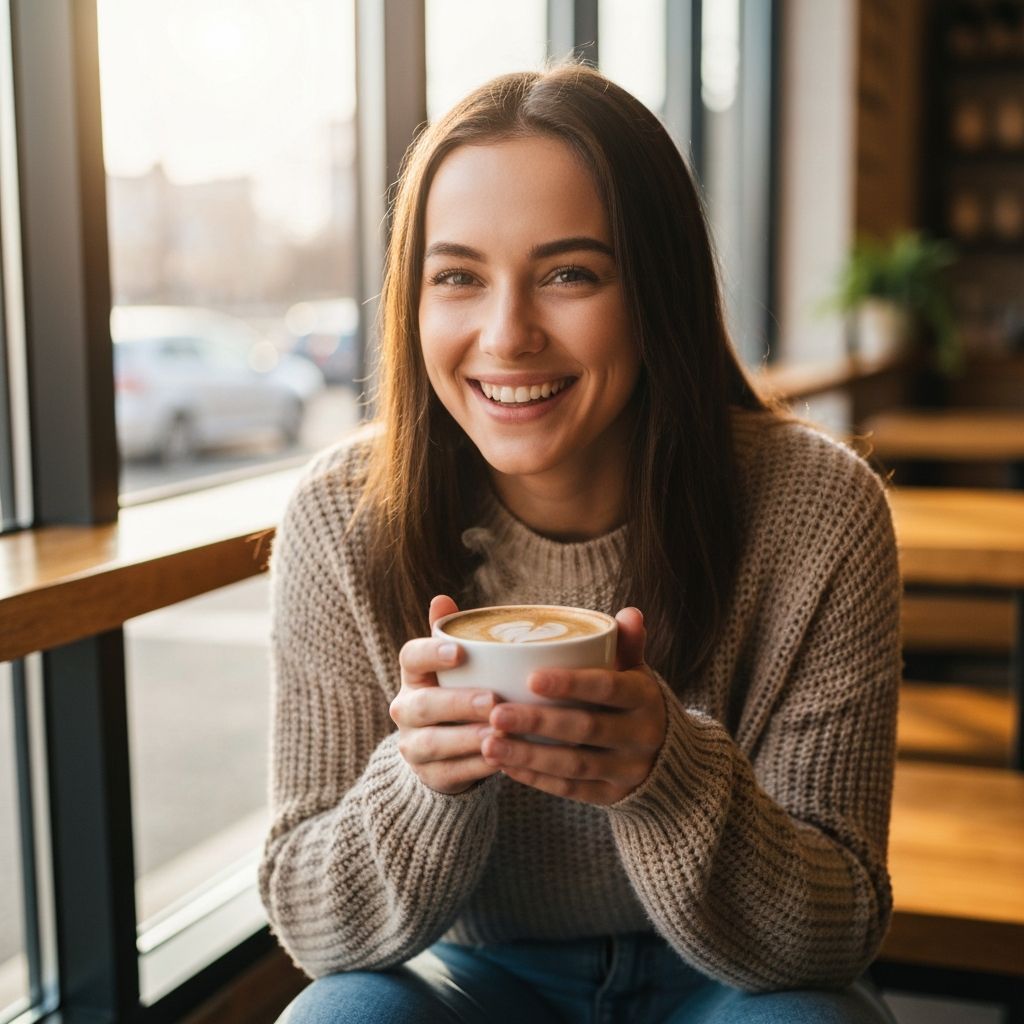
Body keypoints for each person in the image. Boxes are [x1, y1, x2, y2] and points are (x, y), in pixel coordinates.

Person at [261, 64, 901, 1024]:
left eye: (570, 274)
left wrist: (666, 777)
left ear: (657, 290)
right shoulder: (341, 516)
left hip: (731, 984)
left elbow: (834, 932)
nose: (507, 335)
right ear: (412, 302)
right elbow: (315, 933)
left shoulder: (817, 508)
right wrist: (423, 781)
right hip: (475, 978)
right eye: (458, 277)